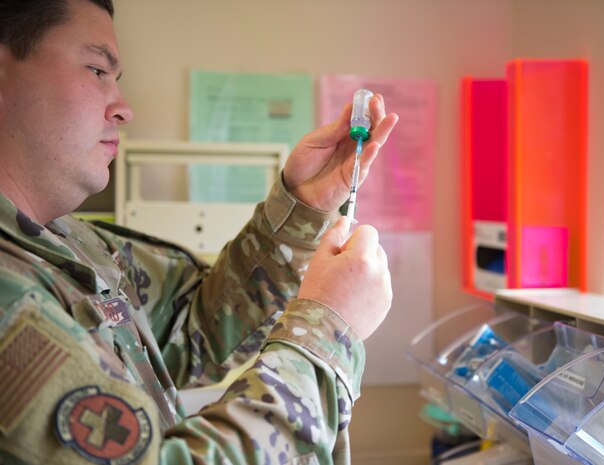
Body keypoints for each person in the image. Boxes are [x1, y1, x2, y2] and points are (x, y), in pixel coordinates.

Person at [0, 0, 399, 463]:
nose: (124, 109)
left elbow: (195, 330)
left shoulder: (65, 242)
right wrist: (326, 329)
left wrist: (303, 207)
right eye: (95, 70)